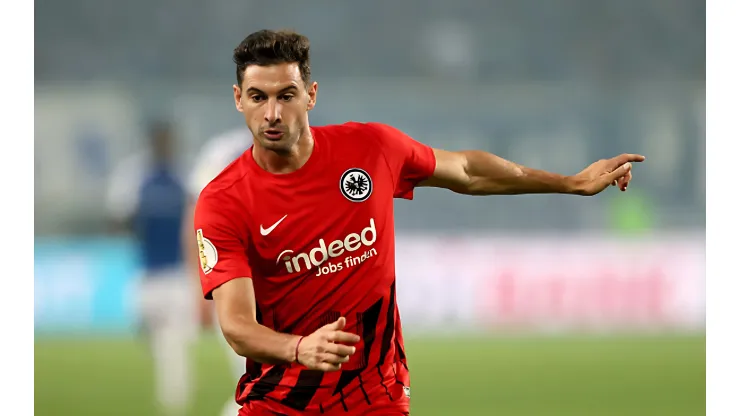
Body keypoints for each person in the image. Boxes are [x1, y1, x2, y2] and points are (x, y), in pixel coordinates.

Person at [192, 30, 645, 416]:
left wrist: (570, 182)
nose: (272, 113)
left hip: (376, 398)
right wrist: (298, 348)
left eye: (286, 96)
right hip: (279, 404)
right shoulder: (223, 201)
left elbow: (466, 170)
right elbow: (235, 326)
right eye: (258, 97)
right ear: (238, 100)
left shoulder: (369, 149)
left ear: (310, 95)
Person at [106, 121, 194, 416]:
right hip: (147, 272)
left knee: (174, 340)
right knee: (148, 327)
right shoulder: (134, 176)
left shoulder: (183, 175)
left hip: (179, 274)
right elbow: (117, 218)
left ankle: (175, 399)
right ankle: (171, 387)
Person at [181, 127, 252, 416]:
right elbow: (195, 219)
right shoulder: (222, 152)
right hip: (236, 286)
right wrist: (199, 287)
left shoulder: (302, 145)